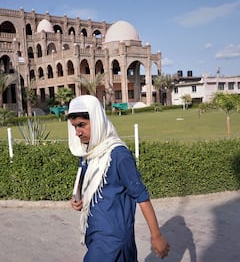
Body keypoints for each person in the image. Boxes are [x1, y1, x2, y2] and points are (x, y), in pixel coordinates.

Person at [67, 95, 170, 261]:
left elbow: (141, 196)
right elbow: (88, 185)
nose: (78, 132)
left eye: (82, 125)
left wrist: (156, 236)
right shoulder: (89, 153)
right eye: (74, 126)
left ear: (97, 120)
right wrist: (78, 199)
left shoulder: (118, 155)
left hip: (113, 238)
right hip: (94, 233)